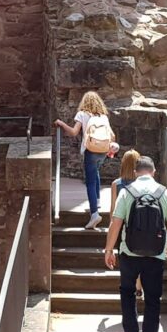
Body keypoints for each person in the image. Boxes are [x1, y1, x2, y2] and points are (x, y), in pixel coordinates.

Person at [103, 156, 167, 332]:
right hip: (156, 254)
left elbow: (115, 223)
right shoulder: (164, 193)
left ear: (135, 172)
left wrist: (109, 250)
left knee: (127, 292)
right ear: (153, 172)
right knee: (153, 299)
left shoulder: (126, 192)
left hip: (129, 252)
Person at [53, 91, 114, 230]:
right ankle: (97, 201)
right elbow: (112, 135)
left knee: (90, 182)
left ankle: (94, 214)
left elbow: (74, 132)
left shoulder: (82, 114)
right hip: (103, 151)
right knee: (96, 172)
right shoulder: (103, 116)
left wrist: (61, 124)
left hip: (90, 150)